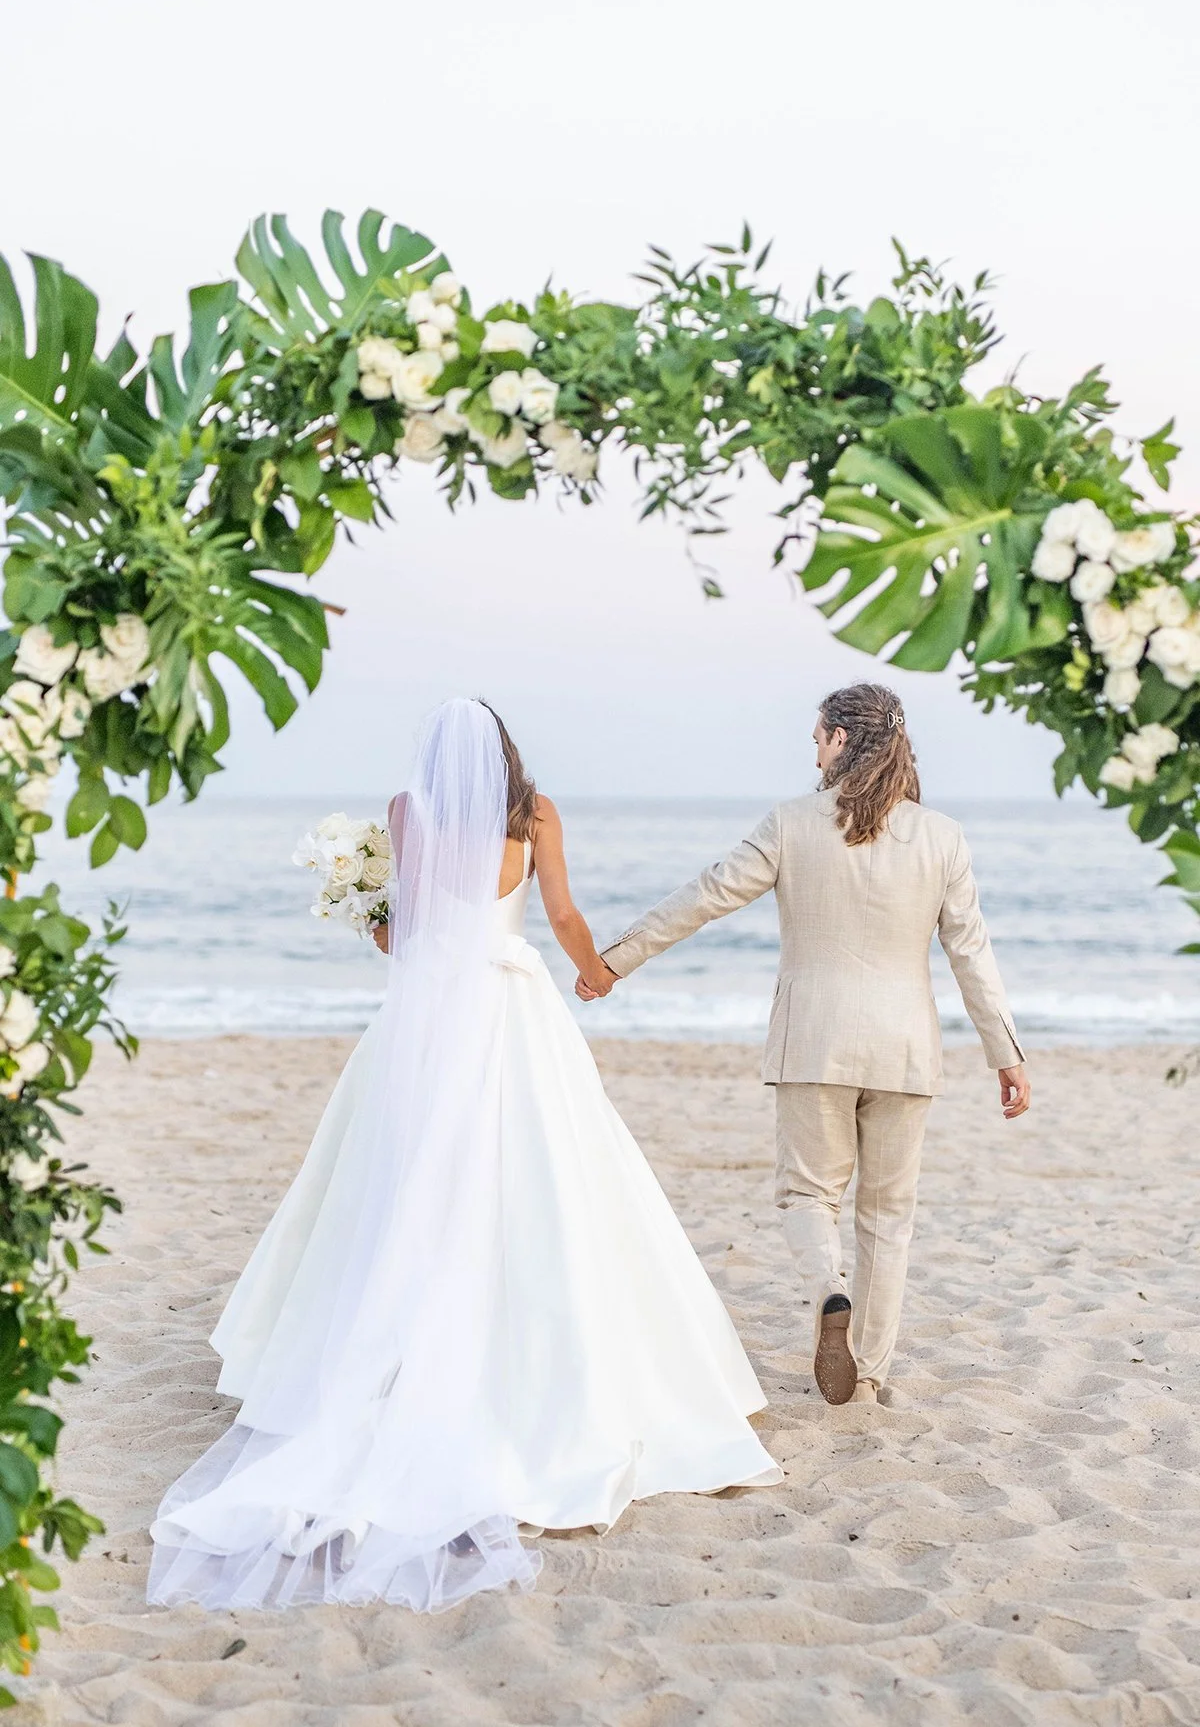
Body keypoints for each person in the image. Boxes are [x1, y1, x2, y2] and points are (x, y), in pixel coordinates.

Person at [147, 698, 779, 1614]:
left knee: (406, 1182)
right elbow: (560, 913)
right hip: (513, 1010)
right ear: (505, 753)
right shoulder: (536, 812)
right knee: (549, 1180)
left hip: (429, 1021)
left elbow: (406, 936)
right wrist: (596, 970)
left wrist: (366, 916)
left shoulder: (408, 814)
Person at [579, 682, 1030, 1408]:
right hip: (906, 1051)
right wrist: (1005, 1054)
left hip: (813, 1043)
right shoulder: (943, 836)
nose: (813, 749)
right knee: (888, 1215)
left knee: (806, 1195)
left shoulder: (791, 824)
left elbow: (707, 895)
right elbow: (970, 952)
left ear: (843, 740)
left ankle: (829, 1292)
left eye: (818, 736)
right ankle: (872, 1370)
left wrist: (613, 962)